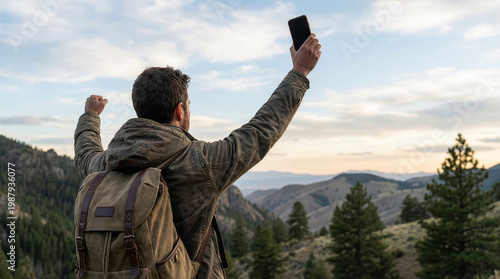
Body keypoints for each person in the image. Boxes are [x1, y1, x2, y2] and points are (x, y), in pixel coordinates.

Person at [74, 33, 321, 278]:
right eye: (188, 104)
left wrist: (90, 116)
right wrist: (299, 73)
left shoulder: (104, 165)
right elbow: (260, 131)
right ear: (180, 111)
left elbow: (86, 151)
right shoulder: (200, 162)